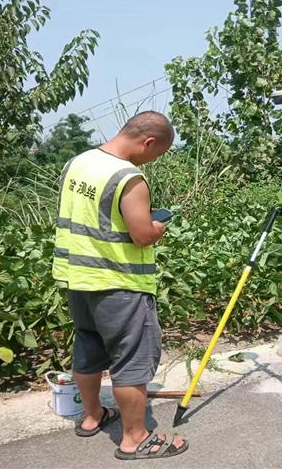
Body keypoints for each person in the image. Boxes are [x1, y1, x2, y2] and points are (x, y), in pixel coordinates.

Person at [52, 111, 188, 460]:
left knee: (88, 347)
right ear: (148, 142)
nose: (151, 161)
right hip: (118, 281)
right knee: (131, 360)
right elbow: (142, 235)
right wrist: (158, 227)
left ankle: (92, 416)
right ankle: (135, 438)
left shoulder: (78, 163)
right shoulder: (128, 177)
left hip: (79, 278)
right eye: (155, 154)